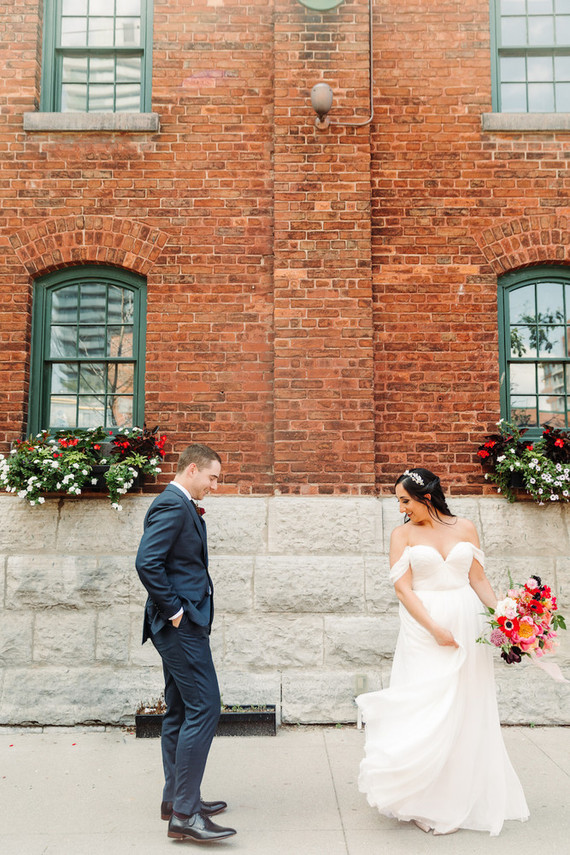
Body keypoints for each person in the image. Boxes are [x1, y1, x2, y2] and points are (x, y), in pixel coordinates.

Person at [356, 467, 529, 836]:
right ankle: (423, 798)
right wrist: (434, 628)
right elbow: (404, 590)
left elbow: (478, 579)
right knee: (429, 707)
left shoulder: (465, 527)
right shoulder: (401, 535)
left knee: (466, 706)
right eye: (399, 500)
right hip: (426, 626)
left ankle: (462, 793)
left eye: (405, 500)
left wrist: (506, 620)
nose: (401, 507)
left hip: (468, 621)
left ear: (427, 497)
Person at [135, 443, 237, 843]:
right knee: (205, 706)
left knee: (179, 709)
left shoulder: (179, 504)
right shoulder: (173, 505)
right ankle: (185, 815)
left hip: (182, 623)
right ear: (191, 469)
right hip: (179, 625)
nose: (214, 485)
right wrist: (176, 611)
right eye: (212, 477)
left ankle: (176, 799)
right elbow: (148, 562)